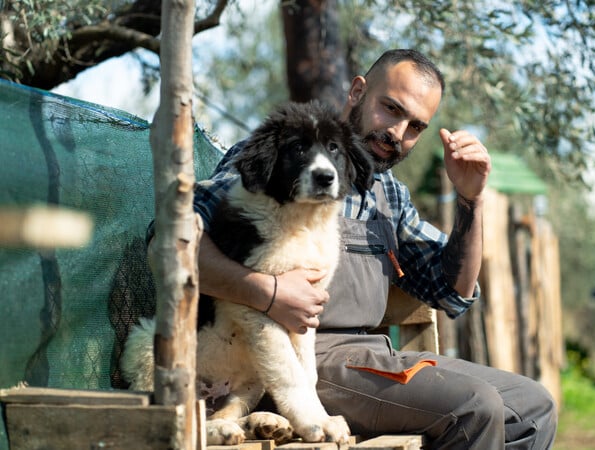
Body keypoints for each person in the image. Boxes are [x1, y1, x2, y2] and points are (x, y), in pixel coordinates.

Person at [190, 49, 557, 449]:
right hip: (305, 357)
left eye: (415, 126)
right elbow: (176, 241)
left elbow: (451, 292)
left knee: (534, 407)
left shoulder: (390, 194)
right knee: (474, 407)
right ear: (358, 91)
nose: (398, 132)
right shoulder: (281, 162)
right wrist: (267, 292)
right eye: (391, 109)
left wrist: (471, 202)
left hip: (374, 355)